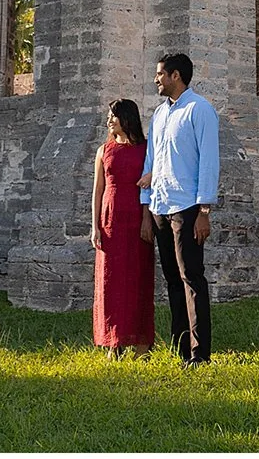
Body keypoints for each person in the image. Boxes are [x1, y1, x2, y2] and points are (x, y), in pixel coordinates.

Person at [137, 53, 219, 366]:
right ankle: (181, 350)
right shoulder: (159, 114)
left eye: (160, 74)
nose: (156, 79)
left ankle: (200, 354)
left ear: (176, 75)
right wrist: (147, 207)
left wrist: (204, 211)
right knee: (172, 281)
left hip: (187, 208)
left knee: (192, 280)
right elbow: (151, 162)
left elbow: (209, 162)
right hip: (160, 206)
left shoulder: (200, 110)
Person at [90, 98, 155, 359]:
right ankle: (113, 341)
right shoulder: (103, 150)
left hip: (137, 218)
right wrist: (94, 226)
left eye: (113, 115)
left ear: (126, 118)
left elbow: (150, 188)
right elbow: (97, 190)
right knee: (110, 281)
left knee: (138, 279)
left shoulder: (146, 149)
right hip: (110, 220)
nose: (109, 119)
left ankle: (141, 344)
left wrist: (147, 220)